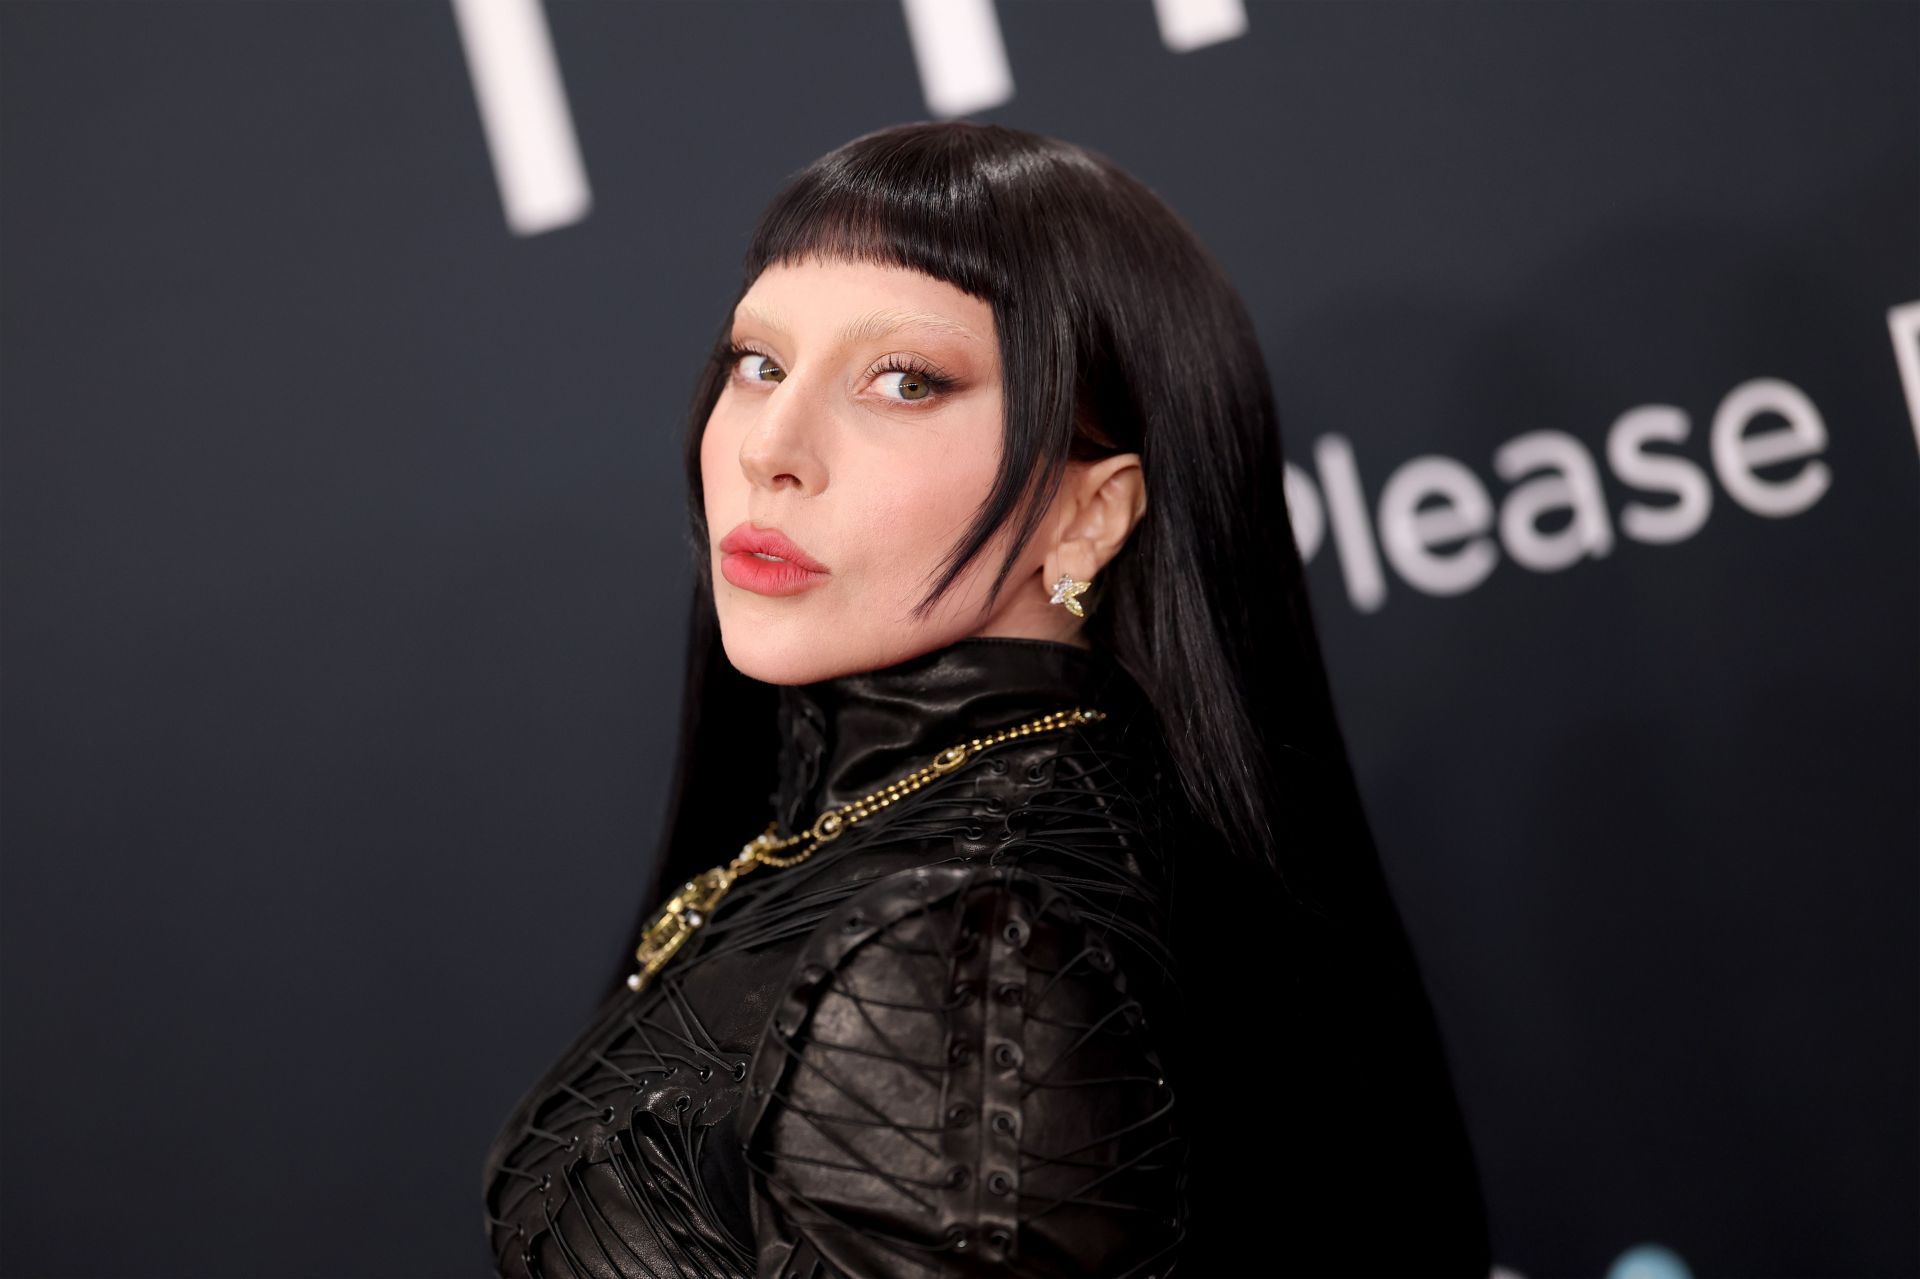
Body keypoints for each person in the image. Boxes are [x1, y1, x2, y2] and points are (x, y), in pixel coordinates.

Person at [480, 120, 1493, 1279]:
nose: (772, 445)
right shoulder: (895, 842)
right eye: (758, 363)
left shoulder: (970, 947)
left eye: (903, 380)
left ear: (1089, 512)